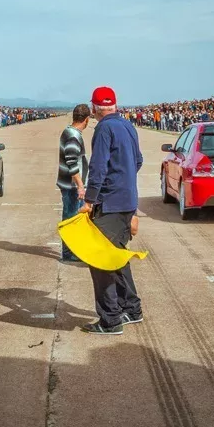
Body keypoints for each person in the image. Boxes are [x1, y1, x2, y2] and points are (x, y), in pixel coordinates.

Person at [78, 87, 143, 335]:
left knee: (101, 261)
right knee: (118, 256)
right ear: (115, 105)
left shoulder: (104, 128)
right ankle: (131, 309)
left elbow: (98, 167)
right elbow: (138, 161)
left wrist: (90, 200)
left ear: (94, 108)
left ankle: (110, 320)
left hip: (110, 204)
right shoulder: (128, 126)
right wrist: (124, 181)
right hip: (127, 201)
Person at [57, 104, 90, 263]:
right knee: (71, 218)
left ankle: (71, 250)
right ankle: (69, 253)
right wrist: (80, 185)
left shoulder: (69, 131)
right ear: (86, 120)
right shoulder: (73, 136)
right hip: (71, 186)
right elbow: (72, 162)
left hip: (69, 184)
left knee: (73, 218)